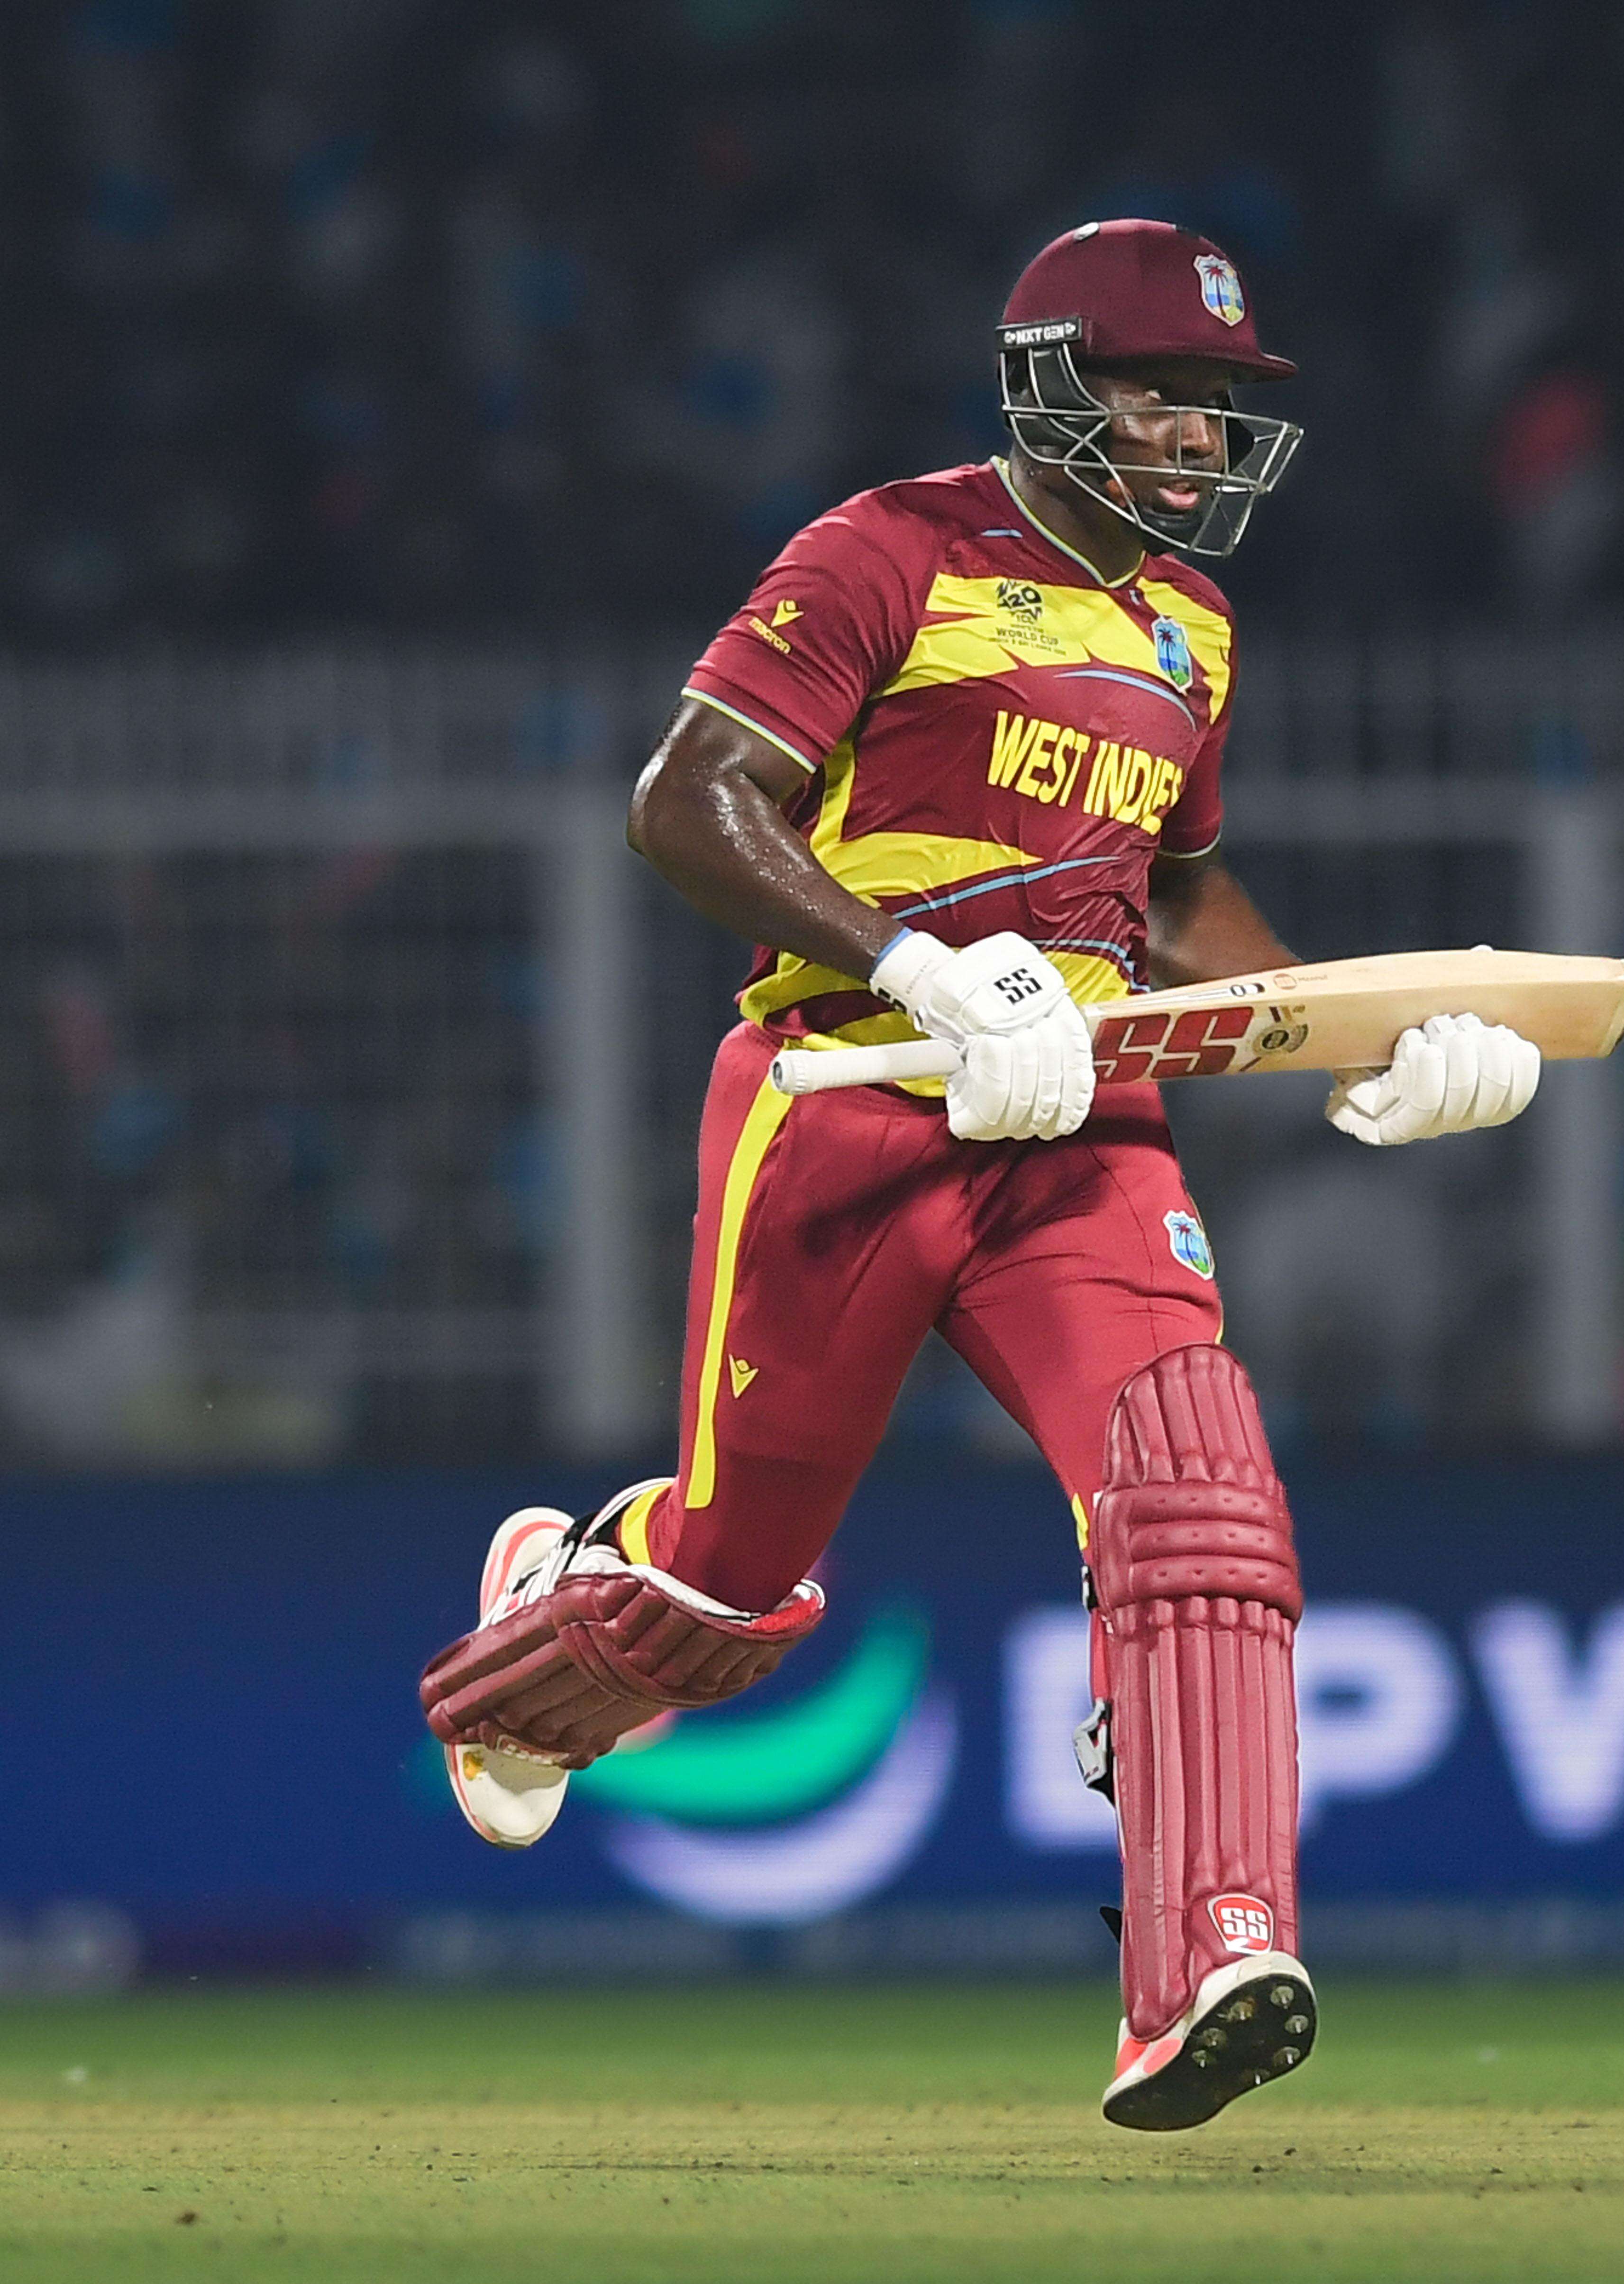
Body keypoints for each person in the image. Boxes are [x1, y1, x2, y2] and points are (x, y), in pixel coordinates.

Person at [413, 220, 1544, 2132]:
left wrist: (1367, 1033)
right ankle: (544, 1632)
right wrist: (915, 960)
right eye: (1158, 391)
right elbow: (686, 799)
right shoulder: (888, 550)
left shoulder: (1190, 625)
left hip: (1085, 1125)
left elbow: (1174, 894)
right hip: (852, 1092)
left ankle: (1210, 1953)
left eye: (1220, 403)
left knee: (1200, 1500)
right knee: (730, 1583)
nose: (1193, 434)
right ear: (1048, 383)